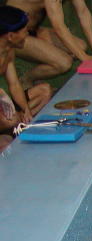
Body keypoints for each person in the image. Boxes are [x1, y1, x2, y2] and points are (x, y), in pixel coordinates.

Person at [6, 0, 92, 87]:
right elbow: (59, 27)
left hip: (32, 30)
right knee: (64, 63)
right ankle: (27, 78)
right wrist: (85, 58)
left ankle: (42, 67)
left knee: (80, 47)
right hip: (11, 37)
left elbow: (83, 11)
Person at [0, 6, 52, 151]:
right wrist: (2, 97)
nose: (27, 33)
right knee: (10, 119)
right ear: (10, 36)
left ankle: (16, 126)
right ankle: (12, 126)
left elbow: (14, 84)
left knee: (44, 91)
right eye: (24, 31)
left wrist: (26, 109)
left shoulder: (8, 51)